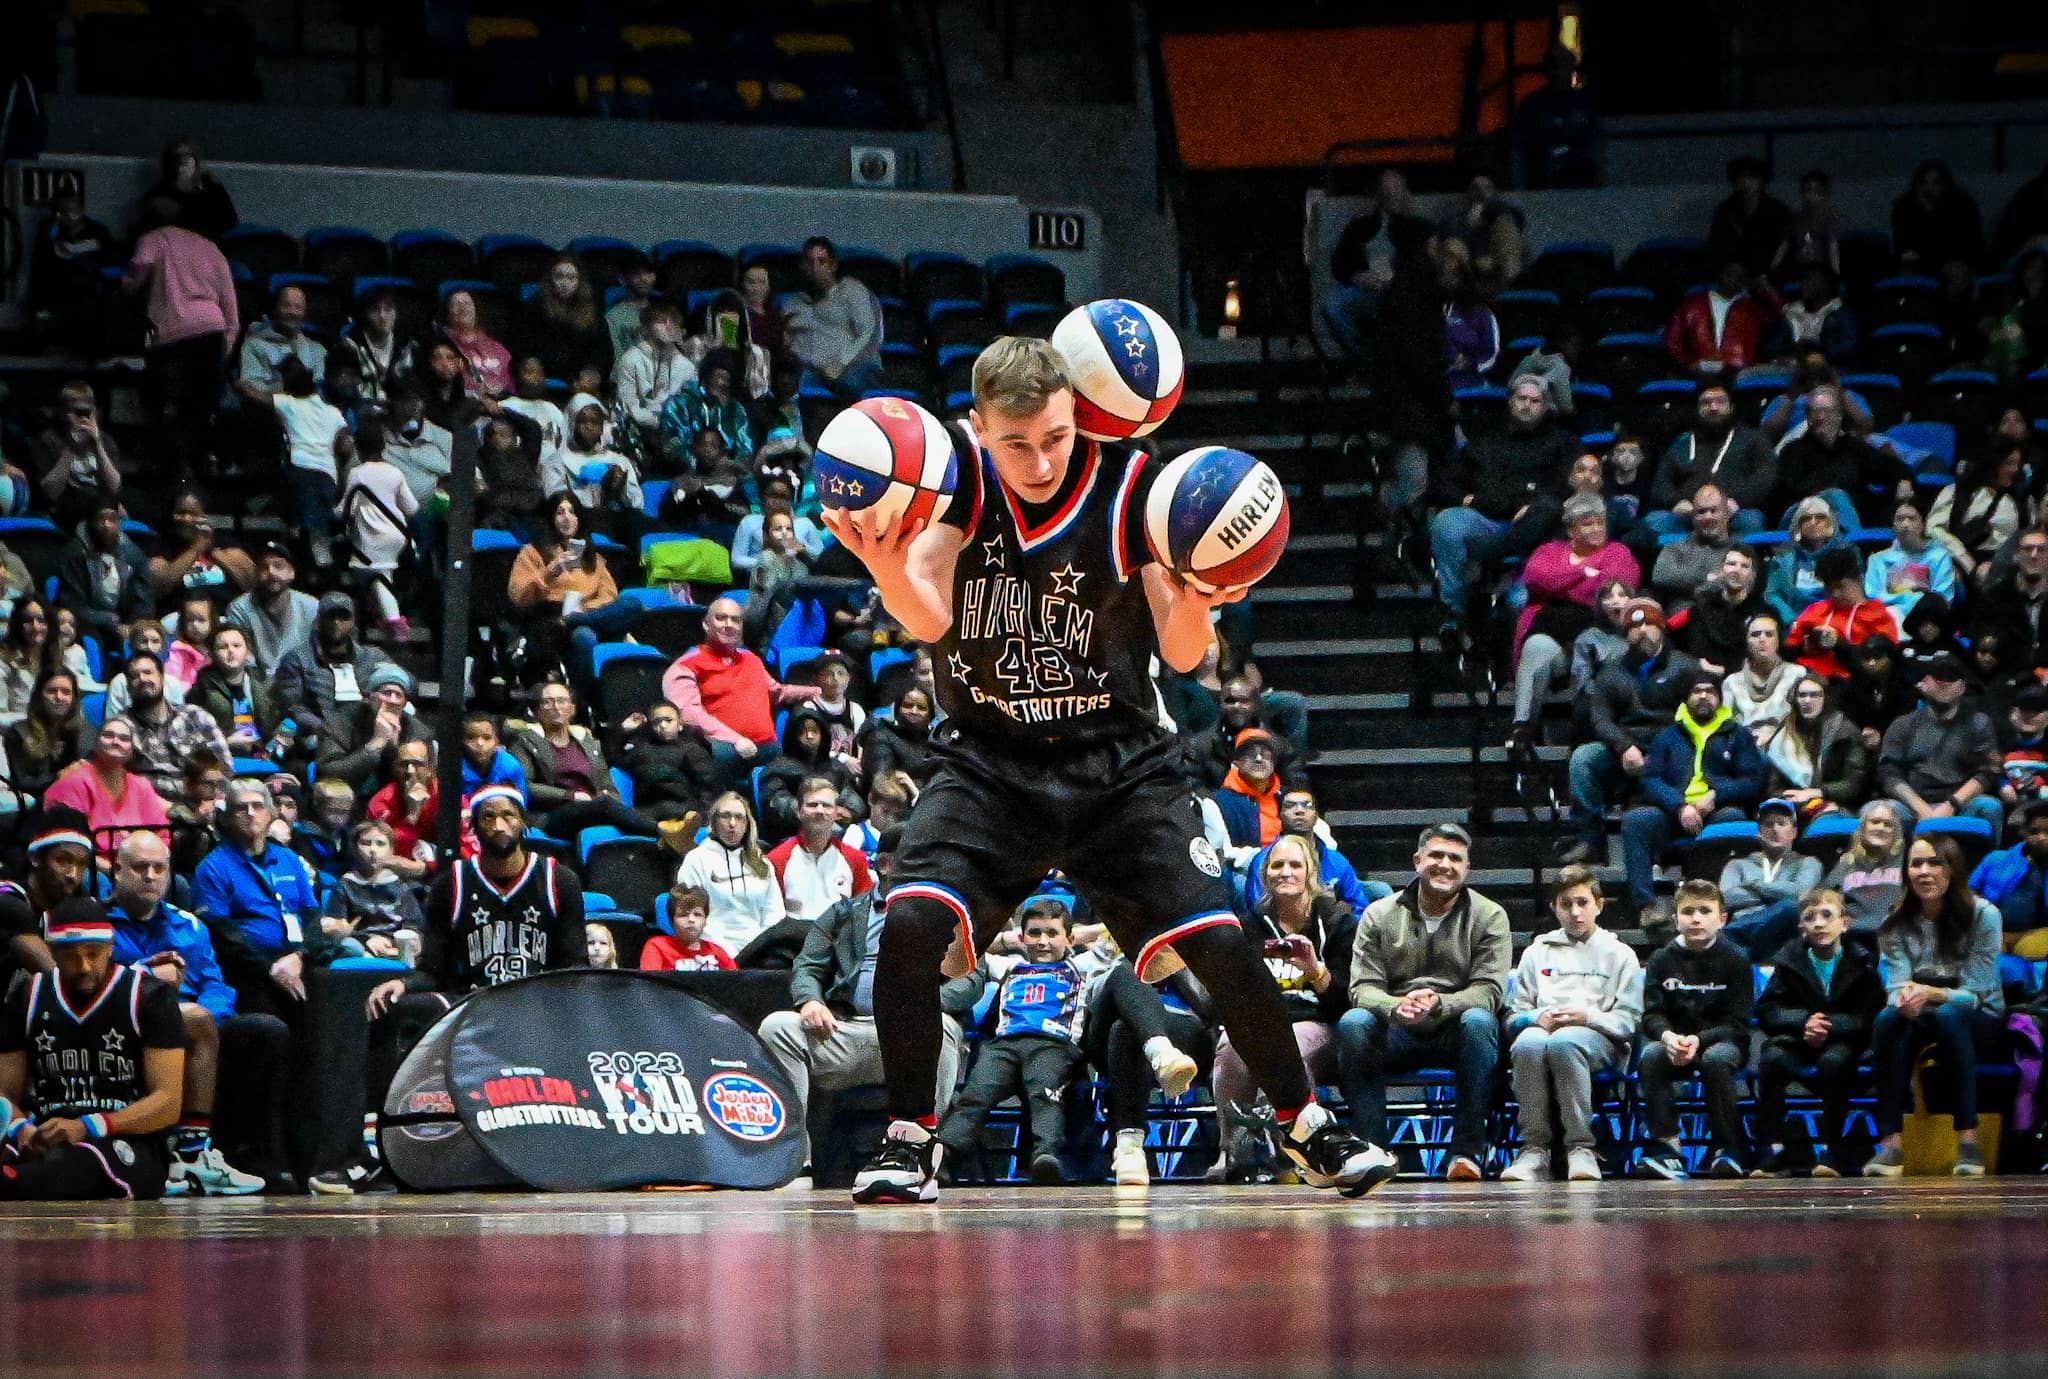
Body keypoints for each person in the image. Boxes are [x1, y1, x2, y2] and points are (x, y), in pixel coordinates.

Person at [823, 335, 1394, 1203]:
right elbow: (930, 617)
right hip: (991, 763)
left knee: (1222, 941)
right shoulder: (960, 484)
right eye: (1016, 442)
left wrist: (1197, 595)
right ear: (980, 429)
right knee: (906, 927)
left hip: (1122, 767)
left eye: (1054, 436)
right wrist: (881, 564)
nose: (1040, 459)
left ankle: (1306, 1124)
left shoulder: (1135, 490)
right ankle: (909, 1140)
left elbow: (1183, 650)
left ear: (1076, 417)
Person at [310, 787, 587, 1194]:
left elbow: (574, 964)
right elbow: (433, 970)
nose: (499, 825)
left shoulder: (557, 880)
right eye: (488, 817)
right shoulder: (452, 882)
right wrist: (400, 983)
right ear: (473, 828)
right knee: (393, 1010)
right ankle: (372, 1147)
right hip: (469, 999)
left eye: (508, 816)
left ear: (523, 822)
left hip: (536, 1000)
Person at [758, 827, 963, 1176]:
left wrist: (924, 1004)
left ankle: (923, 1150)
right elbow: (807, 964)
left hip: (913, 1034)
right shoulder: (844, 914)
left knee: (943, 1027)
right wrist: (810, 1001)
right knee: (777, 1028)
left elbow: (970, 978)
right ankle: (796, 1160)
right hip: (847, 1031)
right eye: (915, 861)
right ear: (884, 865)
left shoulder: (945, 915)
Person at [1334, 824, 1507, 1181]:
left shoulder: (1490, 916)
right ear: (1417, 860)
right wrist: (1394, 1006)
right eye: (1436, 855)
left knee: (1480, 1022)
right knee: (1353, 1022)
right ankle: (1373, 1152)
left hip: (1454, 1030)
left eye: (1455, 859)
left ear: (1467, 868)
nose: (1445, 865)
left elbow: (1488, 990)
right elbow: (1363, 987)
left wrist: (1440, 1003)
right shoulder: (1379, 914)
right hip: (1396, 1029)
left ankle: (1466, 1153)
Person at [106, 831, 271, 1195]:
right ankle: (191, 1156)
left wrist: (210, 1017)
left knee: (265, 1030)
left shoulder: (190, 925)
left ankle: (260, 1157)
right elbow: (96, 986)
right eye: (139, 867)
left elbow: (215, 983)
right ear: (116, 871)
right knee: (193, 1021)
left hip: (197, 1020)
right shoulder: (100, 926)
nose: (150, 876)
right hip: (127, 1024)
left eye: (158, 868)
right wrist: (148, 977)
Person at [0, 899, 184, 1201]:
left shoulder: (149, 996)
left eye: (93, 954)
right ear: (53, 953)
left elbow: (167, 1102)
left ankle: (12, 1180)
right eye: (71, 957)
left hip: (124, 1136)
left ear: (111, 946)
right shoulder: (28, 996)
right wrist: (21, 1128)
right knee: (34, 1156)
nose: (84, 966)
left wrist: (87, 1126)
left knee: (71, 1165)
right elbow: (5, 1092)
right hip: (45, 1133)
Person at [1212, 835, 1358, 1180]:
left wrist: (1315, 970)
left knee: (1287, 1044)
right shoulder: (1248, 926)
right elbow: (1232, 989)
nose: (1285, 872)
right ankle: (1233, 1149)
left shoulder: (1339, 923)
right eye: (1277, 865)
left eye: (1294, 864)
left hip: (1318, 1023)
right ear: (1264, 875)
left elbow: (1346, 1001)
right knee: (1231, 1048)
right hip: (1262, 1022)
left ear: (1311, 873)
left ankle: (1289, 1153)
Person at [1864, 835, 2005, 1177]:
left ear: (1953, 870)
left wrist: (1931, 993)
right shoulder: (1894, 922)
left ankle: (1968, 1139)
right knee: (1887, 1021)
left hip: (1977, 1013)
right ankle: (1891, 1144)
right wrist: (1904, 1000)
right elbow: (1896, 985)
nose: (1924, 872)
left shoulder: (1984, 915)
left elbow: (1977, 992)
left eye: (1934, 863)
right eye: (1916, 864)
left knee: (1948, 1016)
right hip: (1921, 1008)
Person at [935, 897, 1099, 1183]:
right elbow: (976, 949)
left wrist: (1082, 935)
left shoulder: (1081, 967)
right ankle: (943, 1157)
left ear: (1068, 938)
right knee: (975, 1095)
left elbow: (1114, 944)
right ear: (1023, 937)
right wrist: (1009, 939)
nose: (1042, 942)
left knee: (1045, 1093)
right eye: (1034, 933)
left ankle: (1045, 1157)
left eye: (1052, 933)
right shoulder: (1011, 967)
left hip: (1053, 1044)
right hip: (1005, 1046)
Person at [1497, 867, 1642, 1183]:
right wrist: (1535, 1017)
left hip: (1601, 1039)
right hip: (1544, 1031)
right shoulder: (1538, 951)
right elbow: (1514, 1014)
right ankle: (1534, 1149)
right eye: (1566, 904)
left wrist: (1587, 1017)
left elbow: (1628, 1020)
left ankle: (1581, 1147)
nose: (1575, 912)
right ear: (1554, 908)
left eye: (1583, 903)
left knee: (1566, 1042)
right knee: (1527, 1043)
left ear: (1599, 905)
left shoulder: (1620, 954)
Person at [1428, 376, 1577, 638]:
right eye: (1522, 399)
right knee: (1447, 522)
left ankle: (1497, 576)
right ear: (1510, 401)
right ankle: (1454, 608)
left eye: (1535, 401)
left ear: (1545, 407)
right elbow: (1445, 484)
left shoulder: (1561, 443)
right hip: (1487, 520)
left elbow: (1564, 489)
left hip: (1536, 529)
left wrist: (1532, 507)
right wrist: (1474, 501)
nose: (1527, 406)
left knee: (1548, 509)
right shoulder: (1485, 441)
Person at [1751, 888, 1884, 1177]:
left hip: (1845, 1043)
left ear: (1844, 923)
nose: (1819, 924)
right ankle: (1773, 1149)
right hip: (1800, 1041)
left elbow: (1869, 1015)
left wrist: (1829, 1026)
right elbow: (1769, 1009)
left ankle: (1832, 1149)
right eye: (1810, 918)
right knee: (1772, 1057)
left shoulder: (1863, 962)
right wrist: (1804, 1024)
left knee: (1834, 1062)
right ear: (1801, 927)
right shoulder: (1788, 961)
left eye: (1827, 915)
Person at [1560, 598, 1699, 865]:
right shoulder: (1611, 673)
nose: (1642, 630)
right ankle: (1590, 838)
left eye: (1649, 624)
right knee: (1584, 758)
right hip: (1627, 748)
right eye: (1635, 627)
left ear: (1662, 628)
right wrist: (1624, 746)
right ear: (1625, 635)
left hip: (1672, 747)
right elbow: (1600, 719)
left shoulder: (1684, 667)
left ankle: (1673, 839)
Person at [1632, 879, 1755, 1179]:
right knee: (1650, 1056)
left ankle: (1727, 1148)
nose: (1696, 918)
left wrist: (1698, 1040)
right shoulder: (1661, 959)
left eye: (1705, 911)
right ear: (1675, 920)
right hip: (1676, 1042)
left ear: (1722, 919)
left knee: (1716, 1060)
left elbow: (1737, 1024)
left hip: (1723, 1041)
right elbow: (1652, 1015)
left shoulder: (1737, 959)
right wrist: (1669, 1037)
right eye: (1688, 912)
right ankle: (1667, 1146)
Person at [1621, 672, 1765, 925]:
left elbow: (1751, 781)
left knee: (1733, 818)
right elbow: (1649, 779)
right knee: (1636, 820)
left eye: (1710, 691)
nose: (1703, 696)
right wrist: (1679, 806)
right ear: (1686, 698)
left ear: (1719, 698)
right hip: (1673, 812)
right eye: (1696, 691)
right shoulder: (1668, 736)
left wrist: (1716, 795)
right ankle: (1647, 905)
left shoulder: (1737, 735)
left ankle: (1716, 903)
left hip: (1716, 811)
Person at [122, 196, 237, 483]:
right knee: (201, 407)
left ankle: (174, 473)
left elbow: (139, 270)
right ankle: (200, 471)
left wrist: (126, 286)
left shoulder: (154, 239)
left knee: (170, 406)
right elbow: (230, 307)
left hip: (173, 335)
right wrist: (226, 347)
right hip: (212, 333)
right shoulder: (211, 248)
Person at [192, 779, 326, 1019]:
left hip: (297, 960)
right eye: (241, 808)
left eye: (258, 806)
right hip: (248, 971)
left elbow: (312, 915)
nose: (251, 813)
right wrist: (271, 969)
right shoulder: (212, 867)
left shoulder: (289, 859)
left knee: (333, 998)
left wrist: (299, 956)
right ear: (227, 818)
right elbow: (223, 934)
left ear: (271, 813)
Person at [663, 596, 821, 775]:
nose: (729, 624)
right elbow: (689, 715)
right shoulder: (685, 665)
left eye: (735, 620)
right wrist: (735, 740)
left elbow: (776, 692)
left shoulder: (751, 659)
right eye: (721, 618)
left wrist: (816, 691)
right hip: (722, 751)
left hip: (767, 748)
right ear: (706, 624)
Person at [508, 494, 638, 691]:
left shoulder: (593, 557)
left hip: (591, 616)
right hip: (551, 620)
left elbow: (608, 595)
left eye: (572, 512)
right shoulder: (532, 552)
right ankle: (588, 695)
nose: (567, 518)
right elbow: (518, 596)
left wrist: (583, 612)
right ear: (551, 518)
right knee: (584, 637)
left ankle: (572, 620)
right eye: (560, 512)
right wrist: (550, 571)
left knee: (632, 604)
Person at [1878, 652, 2004, 839]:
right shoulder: (1902, 724)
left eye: (1951, 678)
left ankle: (1986, 867)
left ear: (1962, 686)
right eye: (1938, 677)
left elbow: (1988, 771)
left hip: (1961, 804)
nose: (1944, 683)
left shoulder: (1979, 723)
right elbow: (1888, 772)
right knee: (1874, 811)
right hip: (1911, 804)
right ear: (1923, 684)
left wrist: (1951, 805)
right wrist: (1921, 809)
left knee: (1990, 807)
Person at [1775, 388, 1909, 532]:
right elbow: (1796, 491)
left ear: (1839, 416)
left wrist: (1904, 481)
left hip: (1851, 516)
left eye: (1827, 411)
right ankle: (1853, 544)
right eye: (1815, 412)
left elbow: (1894, 468)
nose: (1821, 417)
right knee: (1835, 496)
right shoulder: (1793, 451)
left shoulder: (1854, 447)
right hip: (1808, 518)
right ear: (1808, 417)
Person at [1647, 384, 1777, 531]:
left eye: (1720, 402)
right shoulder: (1681, 443)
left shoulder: (1753, 439)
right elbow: (1661, 481)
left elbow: (1766, 474)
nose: (1713, 407)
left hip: (1734, 511)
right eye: (1706, 402)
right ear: (1697, 409)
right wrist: (1676, 502)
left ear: (1731, 407)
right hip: (1688, 513)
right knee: (1654, 521)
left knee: (1751, 520)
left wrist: (1739, 500)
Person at [42, 717, 171, 862]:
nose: (116, 742)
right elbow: (65, 841)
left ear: (132, 749)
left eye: (124, 738)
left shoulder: (141, 786)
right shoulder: (75, 781)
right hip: (89, 867)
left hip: (142, 866)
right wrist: (103, 866)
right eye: (108, 735)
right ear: (96, 744)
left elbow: (162, 836)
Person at [677, 791, 787, 956]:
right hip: (712, 949)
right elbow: (691, 916)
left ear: (747, 824)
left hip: (759, 951)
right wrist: (726, 953)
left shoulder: (762, 863)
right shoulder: (696, 860)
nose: (732, 823)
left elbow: (775, 914)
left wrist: (759, 949)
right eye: (725, 816)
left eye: (739, 817)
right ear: (714, 821)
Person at [336, 419, 419, 637]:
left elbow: (347, 508)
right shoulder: (395, 472)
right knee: (382, 576)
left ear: (358, 447)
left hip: (370, 535)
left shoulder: (357, 473)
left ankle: (394, 621)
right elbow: (411, 507)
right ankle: (381, 615)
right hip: (395, 534)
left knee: (376, 578)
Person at [1718, 798, 1825, 957]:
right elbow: (1726, 898)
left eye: (1781, 823)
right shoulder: (1737, 865)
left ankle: (1729, 936)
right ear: (1759, 833)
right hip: (1742, 941)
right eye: (1768, 824)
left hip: (1783, 937)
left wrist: (1753, 884)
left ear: (1794, 832)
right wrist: (1777, 894)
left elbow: (1801, 894)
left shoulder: (1808, 863)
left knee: (1790, 906)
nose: (1775, 829)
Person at [118, 650, 231, 800]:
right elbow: (125, 781)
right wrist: (190, 790)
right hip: (156, 808)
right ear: (128, 687)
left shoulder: (195, 715)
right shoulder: (122, 728)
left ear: (162, 678)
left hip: (211, 801)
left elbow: (224, 768)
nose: (142, 678)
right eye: (134, 676)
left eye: (148, 672)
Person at [783, 236, 882, 399]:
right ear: (802, 266)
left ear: (833, 265)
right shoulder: (792, 305)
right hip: (812, 374)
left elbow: (870, 333)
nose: (815, 268)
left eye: (822, 262)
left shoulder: (851, 290)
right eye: (809, 262)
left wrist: (840, 363)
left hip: (854, 368)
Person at [54, 495, 151, 662]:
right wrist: (107, 620)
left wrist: (134, 624)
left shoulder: (131, 553)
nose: (106, 525)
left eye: (112, 519)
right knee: (94, 642)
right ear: (90, 522)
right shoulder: (75, 554)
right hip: (88, 621)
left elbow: (143, 595)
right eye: (101, 519)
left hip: (125, 622)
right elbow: (72, 602)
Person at [768, 777, 875, 922]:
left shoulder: (854, 859)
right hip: (794, 940)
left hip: (839, 939)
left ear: (836, 813)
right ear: (799, 811)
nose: (819, 810)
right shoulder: (777, 859)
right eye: (812, 805)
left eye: (826, 805)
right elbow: (770, 915)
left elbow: (864, 910)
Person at [1764, 673, 1870, 817]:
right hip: (1791, 804)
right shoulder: (1784, 732)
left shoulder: (1846, 732)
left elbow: (1853, 785)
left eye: (1814, 695)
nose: (1807, 700)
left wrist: (1816, 792)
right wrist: (1787, 796)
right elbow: (1773, 785)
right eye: (1802, 695)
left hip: (1835, 804)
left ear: (1825, 698)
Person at [321, 820, 424, 964]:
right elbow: (335, 924)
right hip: (359, 945)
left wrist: (392, 943)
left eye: (380, 844)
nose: (373, 850)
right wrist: (366, 940)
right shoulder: (345, 885)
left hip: (393, 945)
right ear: (355, 848)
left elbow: (414, 926)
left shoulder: (401, 887)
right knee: (348, 946)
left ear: (391, 850)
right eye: (366, 843)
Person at [1787, 546, 1892, 682]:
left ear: (1859, 579)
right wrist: (1805, 647)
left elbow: (1880, 665)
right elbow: (1789, 650)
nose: (1835, 594)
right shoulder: (1815, 610)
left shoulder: (1878, 615)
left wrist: (1837, 644)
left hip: (1849, 683)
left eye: (1841, 586)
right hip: (1805, 678)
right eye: (1829, 588)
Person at [1933, 452, 2034, 592]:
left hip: (1998, 562)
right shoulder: (1954, 492)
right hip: (1956, 556)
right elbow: (1934, 530)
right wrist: (1965, 560)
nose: (2014, 469)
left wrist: (1997, 564)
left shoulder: (2020, 502)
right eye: (2008, 463)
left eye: (2017, 464)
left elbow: (2021, 540)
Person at [224, 543, 319, 678]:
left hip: (301, 680)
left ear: (291, 572)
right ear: (256, 574)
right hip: (257, 681)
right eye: (264, 568)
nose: (271, 572)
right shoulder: (240, 608)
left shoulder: (311, 606)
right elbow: (243, 658)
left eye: (278, 566)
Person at [515, 253, 612, 384]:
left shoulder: (593, 316)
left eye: (571, 278)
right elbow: (522, 348)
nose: (565, 283)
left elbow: (603, 354)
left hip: (582, 385)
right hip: (541, 383)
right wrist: (531, 364)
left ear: (579, 282)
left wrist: (593, 372)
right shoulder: (533, 310)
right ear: (550, 279)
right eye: (559, 277)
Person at [1866, 500, 1957, 634]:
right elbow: (1873, 596)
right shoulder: (1878, 559)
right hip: (1888, 619)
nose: (1906, 524)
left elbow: (1943, 599)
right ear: (1893, 525)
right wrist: (1910, 599)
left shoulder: (1940, 557)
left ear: (1923, 523)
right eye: (1900, 519)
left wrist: (1908, 605)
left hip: (1927, 622)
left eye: (1912, 518)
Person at [1666, 261, 1771, 376]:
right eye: (1730, 274)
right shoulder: (1693, 305)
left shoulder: (1752, 309)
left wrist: (1764, 286)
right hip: (1698, 371)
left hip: (1738, 373)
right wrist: (1687, 363)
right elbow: (1673, 340)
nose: (1734, 279)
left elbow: (1780, 317)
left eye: (1740, 276)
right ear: (1720, 275)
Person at [1649, 482, 1742, 610]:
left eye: (1713, 510)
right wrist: (1709, 577)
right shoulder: (1677, 546)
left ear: (1726, 514)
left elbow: (1744, 582)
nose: (1708, 516)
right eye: (1701, 512)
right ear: (1693, 517)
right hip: (1684, 616)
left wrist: (1694, 585)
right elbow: (1660, 574)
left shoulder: (1740, 547)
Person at [1764, 499, 1853, 628]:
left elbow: (1852, 592)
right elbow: (1772, 594)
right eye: (1806, 518)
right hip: (1794, 623)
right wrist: (1791, 619)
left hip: (1836, 622)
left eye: (1820, 517)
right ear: (1798, 525)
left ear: (1831, 523)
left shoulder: (1846, 554)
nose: (1813, 522)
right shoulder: (1783, 556)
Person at [1893, 159, 1985, 275]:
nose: (1928, 188)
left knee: (1956, 271)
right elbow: (1905, 246)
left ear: (1945, 184)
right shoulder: (1905, 208)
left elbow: (1968, 245)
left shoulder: (1961, 206)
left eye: (1935, 183)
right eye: (1923, 183)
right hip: (1920, 262)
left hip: (1956, 262)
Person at [4, 667, 83, 801]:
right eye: (52, 691)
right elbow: (22, 782)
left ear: (74, 699)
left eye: (66, 692)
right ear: (39, 696)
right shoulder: (17, 733)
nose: (59, 697)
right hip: (36, 806)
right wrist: (60, 776)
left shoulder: (82, 733)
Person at [1707, 155, 1791, 280]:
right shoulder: (1724, 212)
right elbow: (1717, 250)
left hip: (1770, 278)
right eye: (1740, 177)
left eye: (1752, 177)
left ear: (1762, 181)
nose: (1746, 183)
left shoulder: (1778, 212)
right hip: (1732, 278)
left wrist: (1767, 274)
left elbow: (1782, 249)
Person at [145, 136, 237, 240]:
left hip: (210, 243)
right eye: (177, 157)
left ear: (195, 160)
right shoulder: (159, 193)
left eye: (187, 155)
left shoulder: (211, 187)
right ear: (169, 162)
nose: (182, 160)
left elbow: (230, 221)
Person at [640, 884, 735, 972]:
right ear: (671, 922)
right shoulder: (657, 946)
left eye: (697, 914)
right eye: (683, 915)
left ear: (705, 921)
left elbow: (739, 983)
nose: (691, 920)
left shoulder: (717, 952)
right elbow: (649, 985)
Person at [437, 288, 511, 399]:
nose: (463, 307)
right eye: (456, 304)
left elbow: (509, 381)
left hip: (503, 402)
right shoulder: (443, 343)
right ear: (448, 313)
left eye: (467, 303)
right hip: (464, 404)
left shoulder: (496, 346)